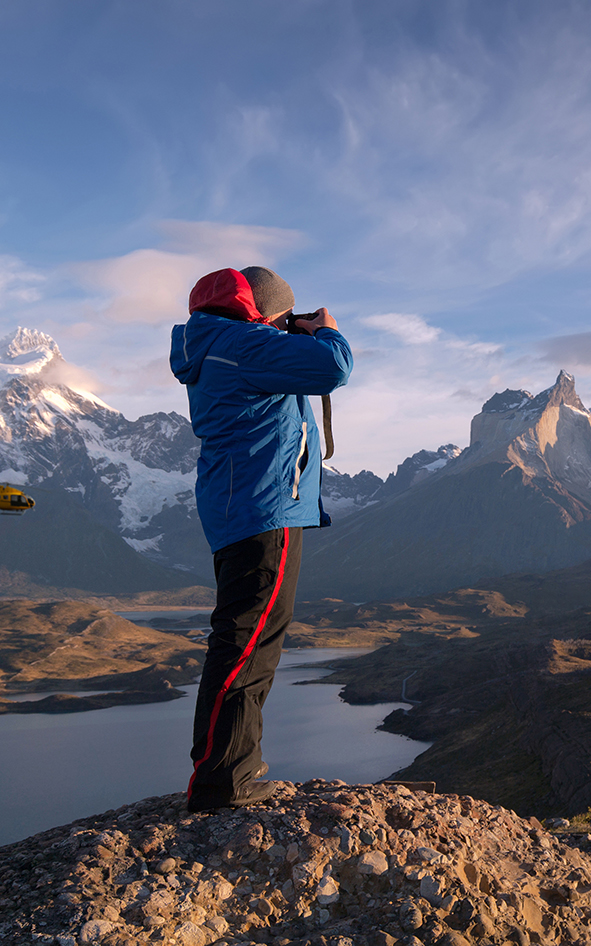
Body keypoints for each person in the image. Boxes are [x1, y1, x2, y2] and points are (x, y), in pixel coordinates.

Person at [168, 265, 352, 812]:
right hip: (265, 510)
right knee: (248, 646)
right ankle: (224, 781)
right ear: (265, 313)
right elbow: (333, 368)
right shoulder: (245, 345)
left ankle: (224, 770)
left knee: (240, 641)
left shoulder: (218, 345)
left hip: (242, 509)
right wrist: (325, 330)